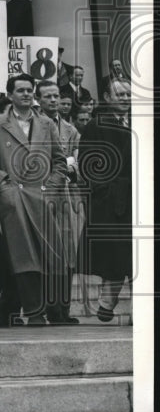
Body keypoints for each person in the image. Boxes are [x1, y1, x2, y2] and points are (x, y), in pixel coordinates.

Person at [0, 73, 69, 325]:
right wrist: (5, 189)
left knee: (52, 254)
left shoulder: (46, 124)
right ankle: (34, 311)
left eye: (30, 90)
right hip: (15, 197)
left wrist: (52, 187)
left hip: (43, 196)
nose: (27, 94)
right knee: (24, 256)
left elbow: (59, 161)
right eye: (21, 90)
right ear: (10, 95)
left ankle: (54, 309)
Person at [78, 77, 133, 323]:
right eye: (120, 94)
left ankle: (109, 303)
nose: (125, 98)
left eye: (128, 94)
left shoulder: (141, 122)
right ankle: (109, 302)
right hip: (112, 200)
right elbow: (88, 163)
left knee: (136, 254)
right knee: (119, 254)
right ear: (108, 97)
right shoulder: (95, 125)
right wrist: (104, 191)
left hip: (138, 196)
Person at [35, 80, 83, 324]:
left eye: (56, 96)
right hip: (40, 193)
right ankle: (44, 307)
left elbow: (75, 162)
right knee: (45, 252)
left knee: (67, 252)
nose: (53, 101)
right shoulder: (33, 125)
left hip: (66, 196)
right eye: (48, 97)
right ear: (39, 100)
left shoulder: (70, 130)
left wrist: (74, 187)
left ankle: (62, 309)